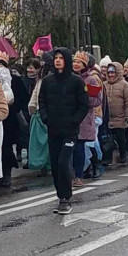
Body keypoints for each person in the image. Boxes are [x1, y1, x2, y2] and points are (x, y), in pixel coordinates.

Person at [37, 47, 89, 214]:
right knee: (55, 164)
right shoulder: (48, 80)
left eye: (61, 58)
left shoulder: (76, 81)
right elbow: (42, 101)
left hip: (70, 131)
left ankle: (66, 198)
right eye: (56, 57)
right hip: (53, 130)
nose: (58, 60)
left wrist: (74, 121)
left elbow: (84, 105)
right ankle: (60, 196)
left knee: (63, 162)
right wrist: (45, 118)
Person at [0, 51, 27, 189]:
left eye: (0, 64)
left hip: (9, 118)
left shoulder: (15, 79)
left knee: (6, 147)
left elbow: (23, 97)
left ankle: (7, 175)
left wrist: (13, 105)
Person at [72, 51, 103, 185]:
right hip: (68, 118)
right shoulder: (69, 78)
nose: (76, 64)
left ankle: (79, 175)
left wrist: (82, 99)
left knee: (80, 148)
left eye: (79, 62)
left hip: (84, 119)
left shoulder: (91, 79)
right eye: (74, 62)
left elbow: (96, 100)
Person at [103, 62, 128, 164]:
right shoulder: (104, 84)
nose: (111, 75)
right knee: (107, 139)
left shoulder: (125, 85)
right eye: (109, 73)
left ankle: (123, 154)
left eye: (113, 72)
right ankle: (107, 158)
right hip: (107, 118)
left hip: (120, 117)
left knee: (121, 139)